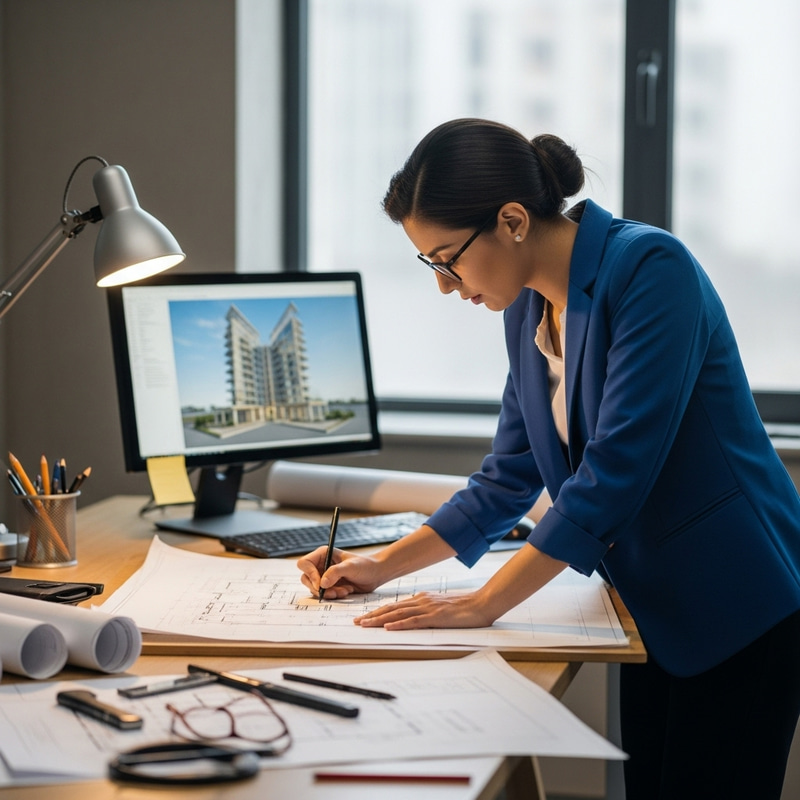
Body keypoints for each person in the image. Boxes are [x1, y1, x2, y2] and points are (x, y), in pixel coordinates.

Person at [297, 118, 800, 799]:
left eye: (448, 258)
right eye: (430, 265)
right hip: (647, 605)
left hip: (736, 600)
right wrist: (378, 566)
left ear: (511, 221)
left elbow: (612, 477)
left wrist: (483, 604)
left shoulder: (654, 271)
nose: (445, 285)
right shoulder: (527, 307)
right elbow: (508, 475)